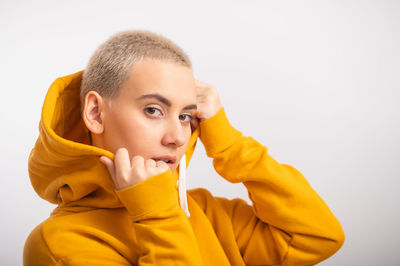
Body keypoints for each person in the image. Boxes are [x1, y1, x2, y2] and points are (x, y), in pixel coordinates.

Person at [23, 30, 344, 265]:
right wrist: (157, 217)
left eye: (187, 116)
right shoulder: (57, 244)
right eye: (153, 110)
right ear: (95, 113)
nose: (178, 136)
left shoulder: (206, 211)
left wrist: (228, 142)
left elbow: (319, 237)